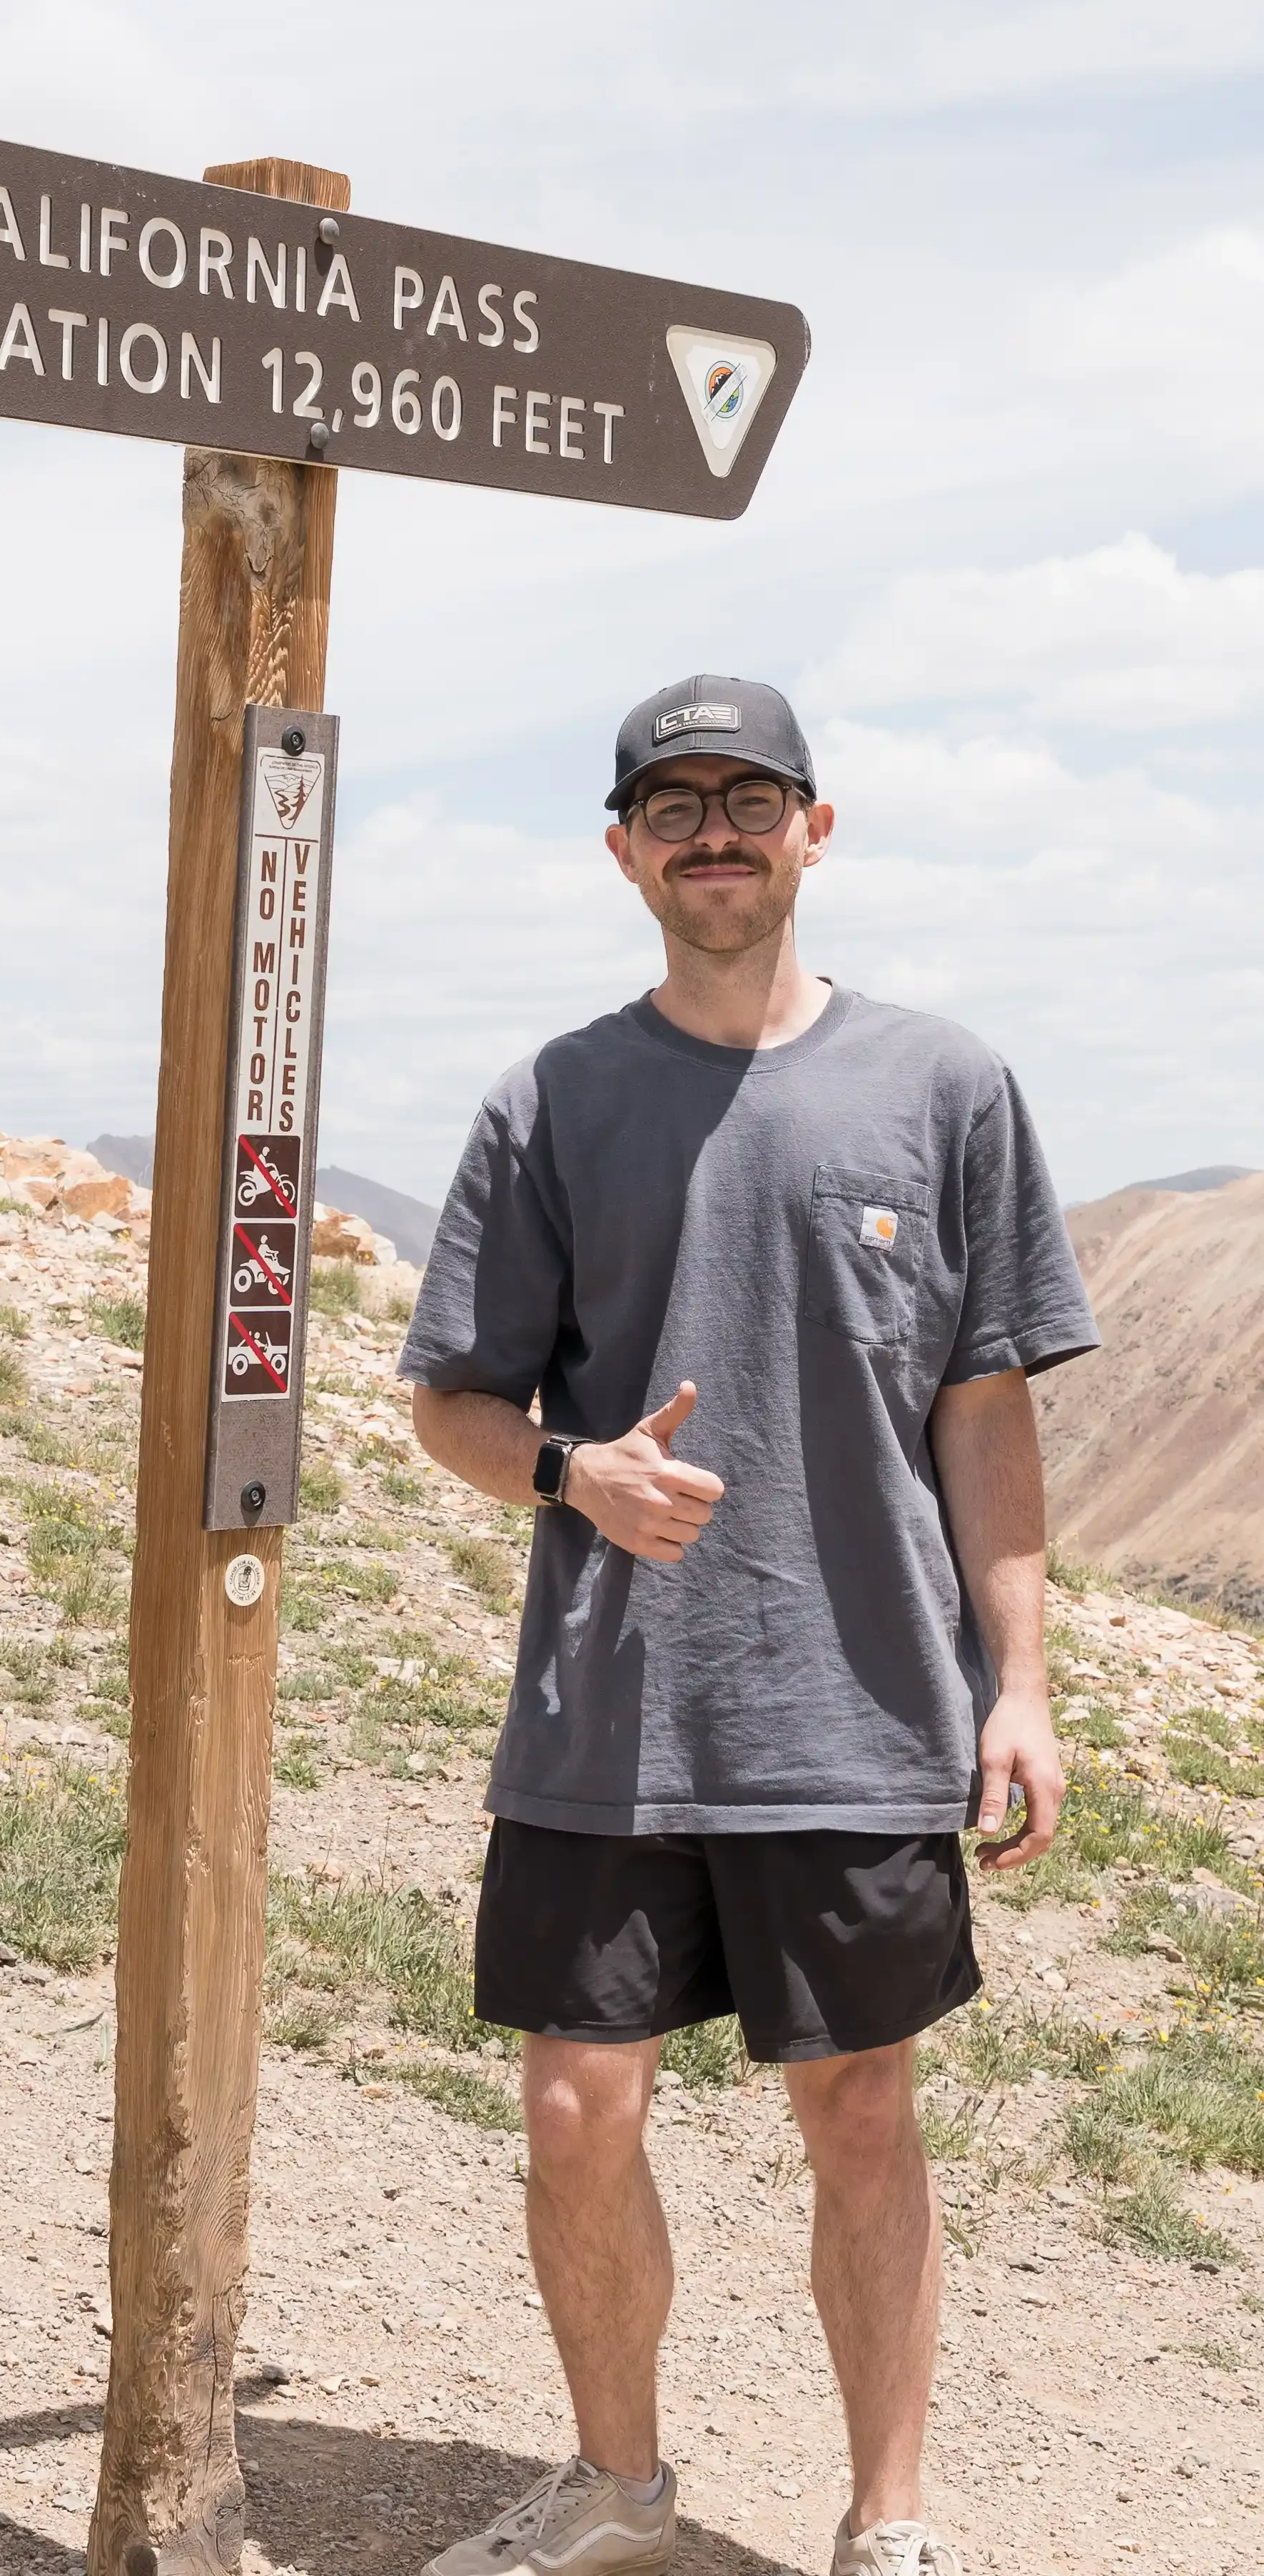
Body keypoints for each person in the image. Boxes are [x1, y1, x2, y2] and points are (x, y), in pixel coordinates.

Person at [397, 676, 1098, 2576]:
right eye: (674, 801)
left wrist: (1020, 1686)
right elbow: (448, 1399)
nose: (716, 830)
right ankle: (617, 2488)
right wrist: (574, 1476)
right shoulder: (552, 1100)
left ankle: (890, 2521)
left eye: (752, 796)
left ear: (817, 828)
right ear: (623, 849)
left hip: (864, 1709)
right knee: (572, 2104)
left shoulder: (945, 1087)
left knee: (862, 2114)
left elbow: (986, 1406)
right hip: (607, 1714)